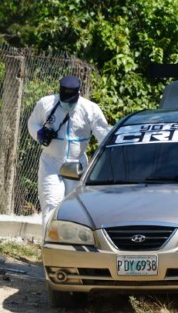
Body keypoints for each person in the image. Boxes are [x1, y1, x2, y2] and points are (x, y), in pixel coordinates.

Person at [27, 75, 110, 229]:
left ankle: (70, 246)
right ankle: (49, 246)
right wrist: (39, 133)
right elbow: (32, 123)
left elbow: (104, 135)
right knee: (52, 203)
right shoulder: (46, 104)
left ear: (79, 94)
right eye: (64, 99)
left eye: (71, 100)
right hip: (51, 163)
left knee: (75, 207)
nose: (67, 104)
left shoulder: (90, 109)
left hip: (76, 165)